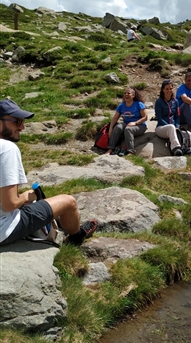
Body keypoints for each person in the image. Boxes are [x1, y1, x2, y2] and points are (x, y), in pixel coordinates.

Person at [0, 99, 98, 247]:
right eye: (16, 121)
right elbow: (10, 204)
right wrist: (25, 196)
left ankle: (54, 218)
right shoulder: (7, 148)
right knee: (69, 202)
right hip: (4, 229)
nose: (22, 127)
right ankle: (76, 237)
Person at [155, 80, 191, 166]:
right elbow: (159, 118)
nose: (169, 91)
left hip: (173, 128)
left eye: (170, 88)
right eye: (166, 89)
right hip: (161, 128)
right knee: (171, 127)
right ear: (162, 90)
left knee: (188, 133)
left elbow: (177, 117)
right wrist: (172, 126)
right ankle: (176, 148)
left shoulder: (175, 102)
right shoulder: (159, 102)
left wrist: (177, 126)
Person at [105, 87, 147, 156]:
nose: (126, 95)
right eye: (125, 93)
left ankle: (131, 151)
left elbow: (145, 117)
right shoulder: (121, 106)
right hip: (126, 123)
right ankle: (110, 148)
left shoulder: (139, 104)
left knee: (128, 129)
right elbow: (115, 118)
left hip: (140, 125)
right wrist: (111, 128)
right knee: (118, 127)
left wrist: (135, 123)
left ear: (133, 95)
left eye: (128, 93)